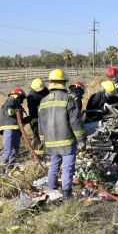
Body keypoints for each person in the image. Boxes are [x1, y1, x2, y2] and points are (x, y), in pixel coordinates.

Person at [38, 69, 87, 201]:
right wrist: (82, 140)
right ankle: (66, 196)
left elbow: (40, 125)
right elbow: (76, 122)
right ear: (64, 83)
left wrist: (43, 141)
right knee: (68, 168)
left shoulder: (43, 101)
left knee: (53, 166)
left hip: (50, 142)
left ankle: (52, 192)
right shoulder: (68, 99)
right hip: (67, 142)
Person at [0, 88, 30, 168]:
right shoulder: (10, 100)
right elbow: (8, 112)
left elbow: (20, 121)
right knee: (8, 149)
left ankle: (10, 168)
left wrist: (29, 119)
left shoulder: (17, 105)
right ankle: (2, 168)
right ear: (18, 95)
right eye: (22, 97)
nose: (22, 100)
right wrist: (18, 111)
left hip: (16, 129)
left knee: (15, 150)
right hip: (9, 128)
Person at [26, 78, 49, 156]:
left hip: (48, 116)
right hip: (39, 119)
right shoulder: (31, 97)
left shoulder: (45, 90)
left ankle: (48, 151)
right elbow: (32, 111)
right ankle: (39, 154)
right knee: (37, 137)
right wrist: (35, 122)